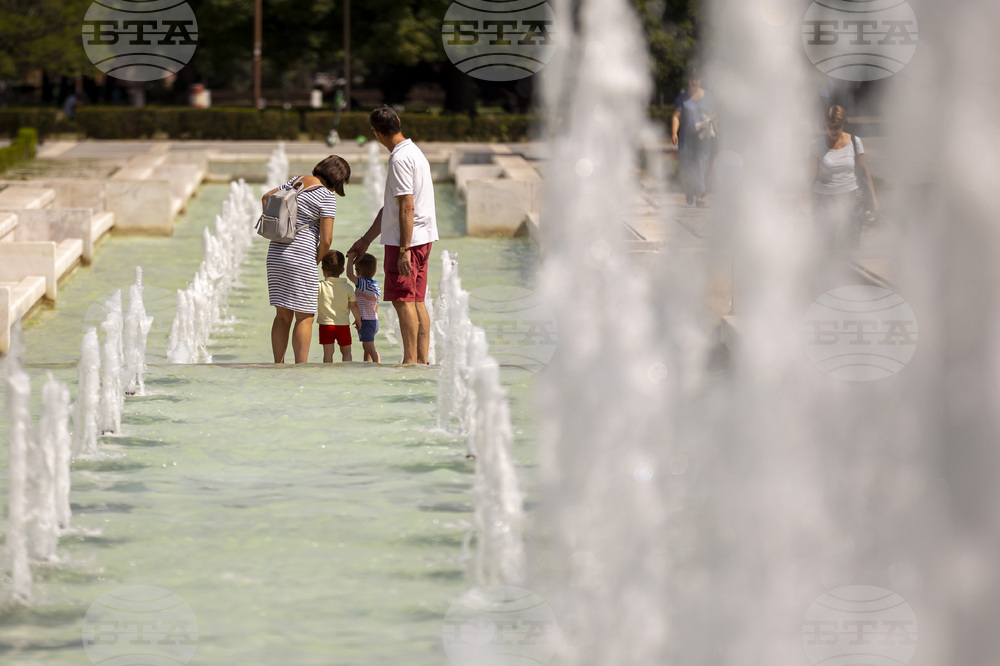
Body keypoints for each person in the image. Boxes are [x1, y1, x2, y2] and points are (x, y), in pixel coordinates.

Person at [347, 105, 438, 365]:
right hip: (422, 236)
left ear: (376, 133)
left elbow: (407, 206)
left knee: (402, 301)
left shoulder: (399, 159)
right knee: (416, 299)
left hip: (406, 240)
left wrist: (403, 249)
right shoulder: (415, 152)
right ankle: (421, 360)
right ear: (398, 122)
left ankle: (409, 361)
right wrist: (366, 240)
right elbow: (391, 207)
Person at [262, 155, 351, 363]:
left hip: (275, 253)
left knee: (282, 314)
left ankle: (278, 365)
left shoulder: (296, 181)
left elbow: (266, 197)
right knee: (305, 315)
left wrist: (280, 229)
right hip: (301, 257)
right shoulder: (326, 196)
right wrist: (315, 261)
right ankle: (299, 368)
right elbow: (326, 240)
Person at [808, 105, 879, 249]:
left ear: (843, 124)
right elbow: (810, 177)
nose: (834, 130)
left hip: (851, 200)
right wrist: (802, 199)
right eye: (830, 126)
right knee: (825, 248)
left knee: (850, 248)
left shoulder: (855, 142)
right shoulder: (817, 146)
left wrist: (873, 199)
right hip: (824, 202)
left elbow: (865, 172)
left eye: (837, 126)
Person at [671, 68, 715, 207]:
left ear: (700, 80)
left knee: (701, 165)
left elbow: (715, 112)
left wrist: (709, 120)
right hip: (686, 139)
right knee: (687, 166)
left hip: (703, 139)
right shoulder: (682, 98)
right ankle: (689, 191)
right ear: (689, 81)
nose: (694, 81)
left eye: (696, 79)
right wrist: (674, 132)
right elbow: (676, 116)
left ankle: (700, 197)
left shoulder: (708, 96)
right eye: (692, 79)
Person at [317, 250, 361, 363]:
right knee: (346, 352)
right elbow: (354, 306)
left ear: (323, 270)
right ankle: (346, 372)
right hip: (343, 325)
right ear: (342, 270)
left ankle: (327, 373)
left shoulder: (320, 286)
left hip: (326, 325)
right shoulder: (348, 288)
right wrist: (358, 319)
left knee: (328, 352)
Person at [347, 252, 381, 363]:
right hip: (374, 321)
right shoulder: (375, 286)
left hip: (366, 322)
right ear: (375, 271)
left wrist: (350, 259)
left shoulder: (362, 284)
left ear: (357, 271)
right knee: (366, 347)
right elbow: (376, 306)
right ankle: (367, 364)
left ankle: (378, 365)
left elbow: (349, 275)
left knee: (370, 348)